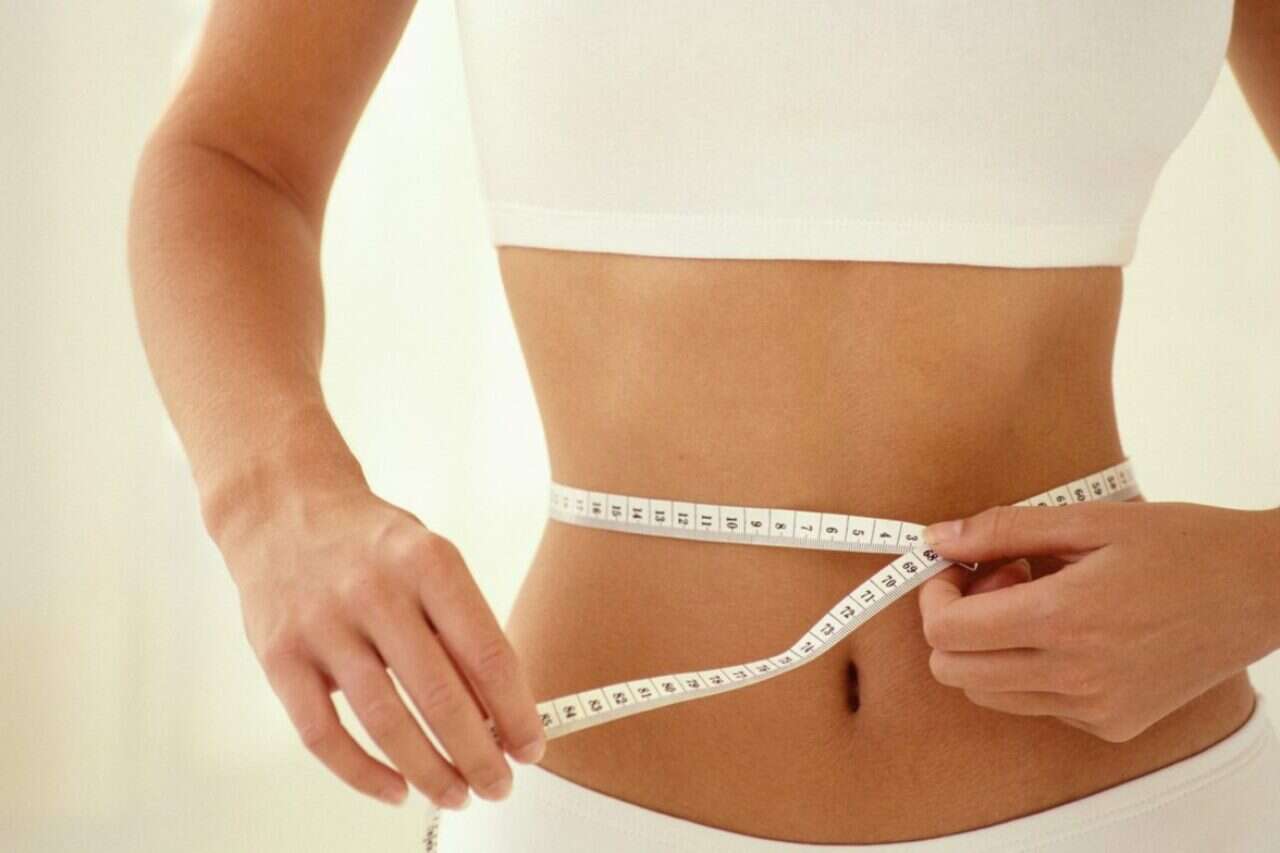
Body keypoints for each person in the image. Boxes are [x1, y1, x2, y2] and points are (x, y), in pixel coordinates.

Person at [127, 1, 1280, 850]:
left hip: (1137, 809)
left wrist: (1260, 576)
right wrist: (272, 500)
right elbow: (233, 155)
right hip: (601, 814)